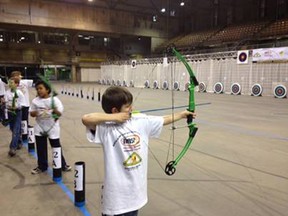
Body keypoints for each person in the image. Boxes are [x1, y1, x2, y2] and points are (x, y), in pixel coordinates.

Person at [81, 86, 196, 216]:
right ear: (115, 110)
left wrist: (182, 114)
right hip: (116, 199)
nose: (132, 109)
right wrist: (115, 118)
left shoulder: (139, 122)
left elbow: (163, 120)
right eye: (127, 107)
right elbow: (86, 119)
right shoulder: (106, 129)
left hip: (135, 196)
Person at [29, 80, 71, 174]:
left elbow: (59, 113)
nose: (39, 91)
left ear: (47, 89)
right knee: (41, 148)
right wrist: (37, 112)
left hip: (52, 128)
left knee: (56, 146)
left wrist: (53, 109)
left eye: (41, 88)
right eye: (37, 89)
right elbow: (31, 113)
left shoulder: (54, 100)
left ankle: (62, 164)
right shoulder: (35, 101)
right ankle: (42, 166)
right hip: (40, 127)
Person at [10, 71, 33, 142]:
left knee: (25, 121)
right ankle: (19, 137)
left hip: (25, 104)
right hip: (16, 106)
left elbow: (34, 81)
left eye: (18, 76)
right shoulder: (12, 84)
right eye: (14, 76)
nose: (17, 78)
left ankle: (24, 135)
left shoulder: (25, 82)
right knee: (17, 123)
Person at [5, 77, 25, 157]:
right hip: (10, 113)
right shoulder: (7, 92)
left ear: (17, 84)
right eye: (9, 82)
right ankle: (19, 141)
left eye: (12, 82)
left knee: (16, 130)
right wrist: (6, 104)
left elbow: (22, 104)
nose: (10, 84)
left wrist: (17, 107)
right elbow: (6, 103)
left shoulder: (19, 93)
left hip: (17, 112)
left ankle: (12, 148)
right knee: (12, 128)